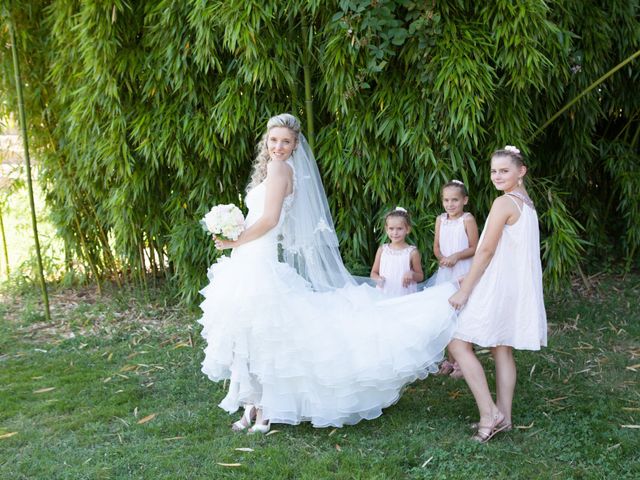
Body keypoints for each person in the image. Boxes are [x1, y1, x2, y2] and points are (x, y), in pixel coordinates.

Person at [198, 113, 457, 432]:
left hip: (257, 255)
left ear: (295, 146)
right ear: (266, 141)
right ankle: (253, 403)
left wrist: (234, 239)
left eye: (286, 142)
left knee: (263, 334)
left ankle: (264, 410)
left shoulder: (280, 168)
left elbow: (269, 219)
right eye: (274, 140)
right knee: (251, 332)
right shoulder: (276, 169)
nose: (278, 147)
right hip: (249, 254)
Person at [447, 146, 547, 443]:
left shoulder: (504, 203)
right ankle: (505, 417)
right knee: (501, 348)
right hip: (513, 287)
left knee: (456, 343)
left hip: (499, 287)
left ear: (521, 171)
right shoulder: (526, 204)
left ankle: (489, 414)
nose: (497, 176)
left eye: (504, 170)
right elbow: (509, 250)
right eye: (493, 171)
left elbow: (487, 249)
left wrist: (466, 289)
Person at [433, 180, 479, 378]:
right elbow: (436, 245)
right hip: (445, 271)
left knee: (461, 315)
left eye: (455, 200)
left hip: (462, 270)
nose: (450, 204)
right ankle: (450, 360)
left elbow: (475, 247)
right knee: (446, 314)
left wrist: (456, 256)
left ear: (465, 200)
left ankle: (462, 362)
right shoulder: (440, 219)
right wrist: (441, 257)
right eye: (446, 200)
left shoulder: (467, 219)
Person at [370, 207, 424, 296]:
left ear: (407, 229)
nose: (395, 233)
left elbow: (420, 276)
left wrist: (412, 274)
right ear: (386, 229)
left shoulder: (412, 252)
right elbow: (373, 273)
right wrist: (378, 278)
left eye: (399, 228)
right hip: (384, 293)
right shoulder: (382, 250)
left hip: (404, 294)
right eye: (391, 229)